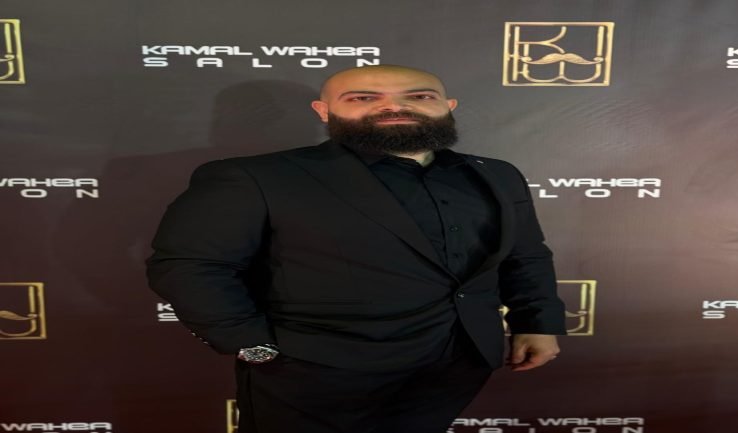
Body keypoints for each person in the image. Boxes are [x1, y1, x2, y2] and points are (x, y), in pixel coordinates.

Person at [146, 64, 566, 433]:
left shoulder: (496, 174)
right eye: (363, 97)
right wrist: (252, 345)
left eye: (419, 96)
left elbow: (525, 254)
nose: (395, 106)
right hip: (316, 370)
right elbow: (189, 266)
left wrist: (537, 322)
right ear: (323, 110)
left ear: (448, 105)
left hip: (457, 362)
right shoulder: (255, 176)